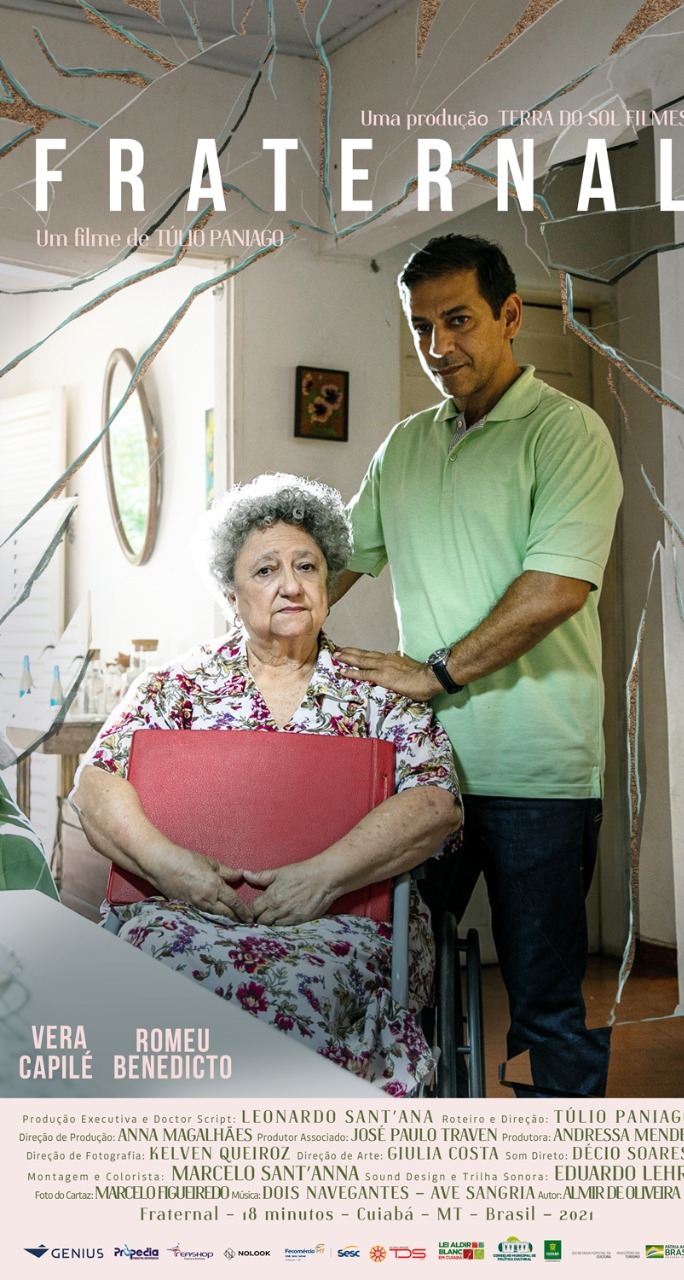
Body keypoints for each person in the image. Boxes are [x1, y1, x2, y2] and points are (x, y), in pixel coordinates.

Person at [331, 234, 623, 1097]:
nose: (439, 345)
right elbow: (337, 562)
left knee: (546, 1011)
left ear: (510, 314)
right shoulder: (404, 447)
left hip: (540, 775)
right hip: (425, 777)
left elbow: (555, 589)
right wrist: (260, 622)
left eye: (458, 320)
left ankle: (568, 1172)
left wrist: (434, 675)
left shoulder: (568, 433)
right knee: (399, 987)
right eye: (422, 327)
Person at [71, 473, 461, 1095]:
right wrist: (172, 868)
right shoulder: (177, 687)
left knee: (312, 989)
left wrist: (324, 876)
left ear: (328, 581)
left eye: (307, 566)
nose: (291, 585)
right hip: (186, 912)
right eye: (265, 570)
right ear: (231, 593)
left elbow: (436, 803)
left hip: (342, 921)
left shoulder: (380, 690)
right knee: (162, 971)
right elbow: (95, 786)